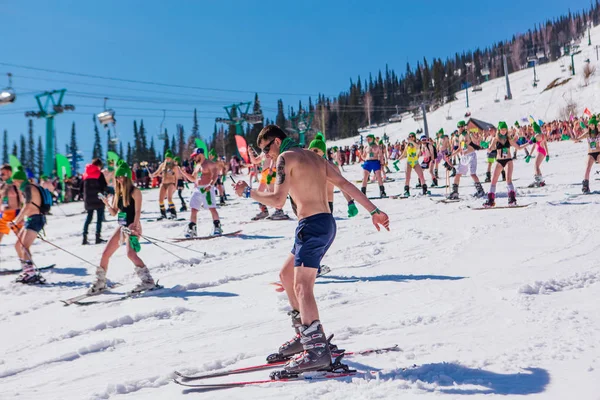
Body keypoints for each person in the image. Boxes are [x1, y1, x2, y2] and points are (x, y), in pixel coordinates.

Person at [233, 125, 390, 374]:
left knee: (301, 286)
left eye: (265, 150)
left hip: (312, 226)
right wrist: (374, 211)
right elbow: (345, 183)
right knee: (286, 276)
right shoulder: (315, 157)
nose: (266, 156)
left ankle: (316, 352)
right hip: (324, 224)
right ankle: (304, 337)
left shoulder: (285, 158)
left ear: (275, 142)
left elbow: (277, 201)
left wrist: (247, 193)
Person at [87, 161, 157, 294]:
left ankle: (148, 281)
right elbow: (114, 212)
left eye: (120, 176)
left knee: (131, 254)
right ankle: (100, 282)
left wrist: (135, 226)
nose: (118, 179)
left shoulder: (135, 191)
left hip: (132, 225)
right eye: (117, 177)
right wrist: (106, 203)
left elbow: (137, 211)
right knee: (105, 253)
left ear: (126, 176)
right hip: (122, 226)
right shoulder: (117, 193)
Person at [9, 166, 50, 284]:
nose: (14, 184)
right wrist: (22, 219)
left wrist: (16, 221)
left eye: (15, 181)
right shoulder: (27, 187)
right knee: (18, 245)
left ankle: (31, 274)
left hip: (36, 219)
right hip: (31, 219)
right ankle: (27, 271)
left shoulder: (27, 188)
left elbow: (27, 206)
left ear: (19, 180)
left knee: (24, 247)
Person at [308, 138, 358, 217]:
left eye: (316, 151)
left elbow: (343, 185)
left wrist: (350, 202)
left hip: (326, 205)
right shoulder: (307, 167)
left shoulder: (331, 167)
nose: (312, 153)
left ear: (323, 152)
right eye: (310, 151)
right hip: (309, 205)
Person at [179, 148, 223, 237]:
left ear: (200, 154)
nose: (194, 158)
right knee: (193, 208)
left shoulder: (209, 163)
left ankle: (217, 226)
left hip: (207, 188)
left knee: (212, 208)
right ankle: (192, 228)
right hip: (197, 189)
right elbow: (193, 178)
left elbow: (215, 175)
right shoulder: (197, 166)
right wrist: (184, 173)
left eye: (195, 156)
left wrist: (211, 185)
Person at [482, 122, 527, 207]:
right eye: (502, 129)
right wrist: (487, 147)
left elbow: (519, 147)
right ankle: (491, 201)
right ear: (499, 130)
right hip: (499, 161)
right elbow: (491, 148)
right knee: (493, 180)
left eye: (505, 129)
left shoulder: (509, 139)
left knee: (508, 179)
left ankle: (512, 200)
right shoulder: (495, 138)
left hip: (508, 161)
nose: (503, 131)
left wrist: (530, 143)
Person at [447, 121, 486, 200]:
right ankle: (455, 192)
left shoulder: (467, 134)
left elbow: (471, 139)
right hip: (464, 157)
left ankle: (480, 191)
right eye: (459, 126)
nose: (460, 128)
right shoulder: (460, 136)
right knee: (458, 174)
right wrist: (451, 155)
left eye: (462, 126)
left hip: (471, 155)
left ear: (464, 127)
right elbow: (460, 148)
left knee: (472, 174)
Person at [82, 158, 108, 245]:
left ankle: (84, 237)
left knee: (88, 218)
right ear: (98, 165)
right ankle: (97, 237)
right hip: (98, 199)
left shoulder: (85, 175)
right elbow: (104, 186)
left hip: (88, 200)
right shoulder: (99, 174)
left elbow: (81, 188)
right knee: (99, 219)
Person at [574, 116, 599, 193]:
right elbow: (577, 139)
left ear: (595, 125)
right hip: (590, 153)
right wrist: (568, 138)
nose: (591, 126)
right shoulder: (587, 133)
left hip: (598, 153)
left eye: (592, 124)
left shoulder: (599, 133)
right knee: (587, 168)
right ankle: (585, 186)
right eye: (590, 124)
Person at [151, 150, 178, 220]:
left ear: (171, 158)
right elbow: (157, 172)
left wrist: (176, 186)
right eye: (166, 158)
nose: (167, 159)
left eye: (169, 158)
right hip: (163, 183)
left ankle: (173, 213)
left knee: (169, 198)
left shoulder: (174, 166)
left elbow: (177, 177)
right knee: (160, 199)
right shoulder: (162, 165)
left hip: (171, 183)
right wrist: (152, 175)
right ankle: (163, 214)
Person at [0, 164, 23, 244]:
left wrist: (23, 215)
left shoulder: (16, 185)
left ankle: (25, 256)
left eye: (3, 174)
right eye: (0, 174)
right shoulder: (2, 185)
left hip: (15, 214)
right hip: (3, 215)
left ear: (9, 173)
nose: (1, 176)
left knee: (21, 242)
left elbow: (22, 200)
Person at [526, 122, 550, 188]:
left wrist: (529, 155)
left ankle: (538, 181)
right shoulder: (543, 135)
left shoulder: (537, 136)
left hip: (540, 151)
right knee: (537, 166)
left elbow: (533, 145)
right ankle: (541, 181)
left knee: (536, 166)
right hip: (543, 151)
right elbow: (545, 144)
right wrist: (547, 154)